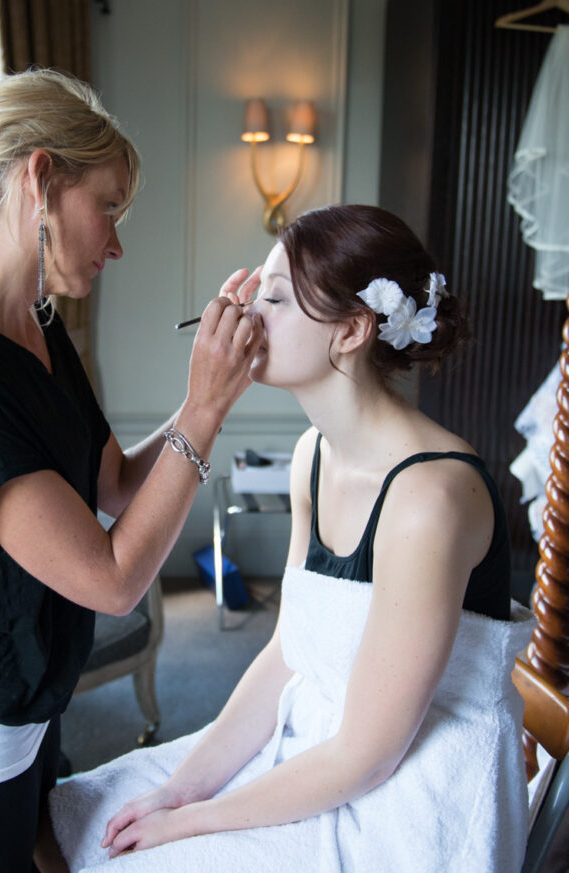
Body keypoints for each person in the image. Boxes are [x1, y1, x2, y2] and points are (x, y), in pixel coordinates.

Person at [0, 68, 263, 873]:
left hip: (20, 719)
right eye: (109, 206)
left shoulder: (36, 323)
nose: (116, 243)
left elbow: (115, 484)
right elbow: (111, 579)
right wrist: (205, 411)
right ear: (40, 180)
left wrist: (211, 391)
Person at [49, 204, 535, 873]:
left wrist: (191, 822)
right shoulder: (312, 453)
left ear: (352, 329)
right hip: (319, 741)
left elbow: (368, 755)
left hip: (410, 796)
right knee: (75, 820)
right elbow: (289, 650)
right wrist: (179, 789)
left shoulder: (430, 499)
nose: (246, 314)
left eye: (274, 298)